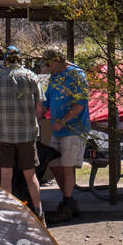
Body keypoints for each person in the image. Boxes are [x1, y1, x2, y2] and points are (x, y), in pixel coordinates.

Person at [0, 45, 45, 222]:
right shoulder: (31, 77)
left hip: (3, 134)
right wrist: (34, 122)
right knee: (30, 175)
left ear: (6, 60)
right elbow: (40, 106)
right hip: (27, 134)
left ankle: (5, 215)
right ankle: (39, 213)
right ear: (20, 59)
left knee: (6, 175)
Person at [41, 48, 90, 223]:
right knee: (54, 164)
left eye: (49, 63)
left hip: (73, 129)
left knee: (67, 166)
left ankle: (67, 204)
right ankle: (69, 200)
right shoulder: (54, 77)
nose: (48, 68)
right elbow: (45, 102)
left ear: (59, 59)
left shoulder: (77, 74)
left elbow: (80, 103)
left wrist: (63, 120)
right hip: (58, 130)